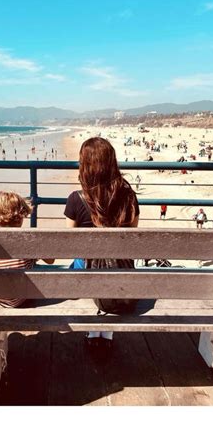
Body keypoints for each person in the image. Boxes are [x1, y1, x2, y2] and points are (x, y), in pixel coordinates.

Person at [64, 137, 140, 351]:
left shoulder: (75, 199)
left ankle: (94, 331)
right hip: (120, 271)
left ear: (84, 166)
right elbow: (132, 239)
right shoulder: (128, 195)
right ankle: (105, 333)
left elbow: (65, 244)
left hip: (87, 273)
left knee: (78, 263)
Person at [0, 191, 54, 307]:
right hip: (23, 297)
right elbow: (50, 260)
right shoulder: (28, 240)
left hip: (0, 297)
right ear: (22, 215)